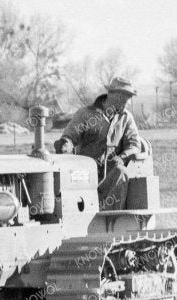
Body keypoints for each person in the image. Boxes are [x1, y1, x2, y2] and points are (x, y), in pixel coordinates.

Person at [54, 76, 146, 208]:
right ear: (112, 95)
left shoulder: (126, 118)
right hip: (84, 173)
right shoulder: (86, 114)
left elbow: (134, 145)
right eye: (124, 97)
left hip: (111, 174)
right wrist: (65, 145)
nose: (127, 101)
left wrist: (122, 157)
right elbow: (70, 137)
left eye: (128, 98)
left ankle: (111, 218)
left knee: (121, 172)